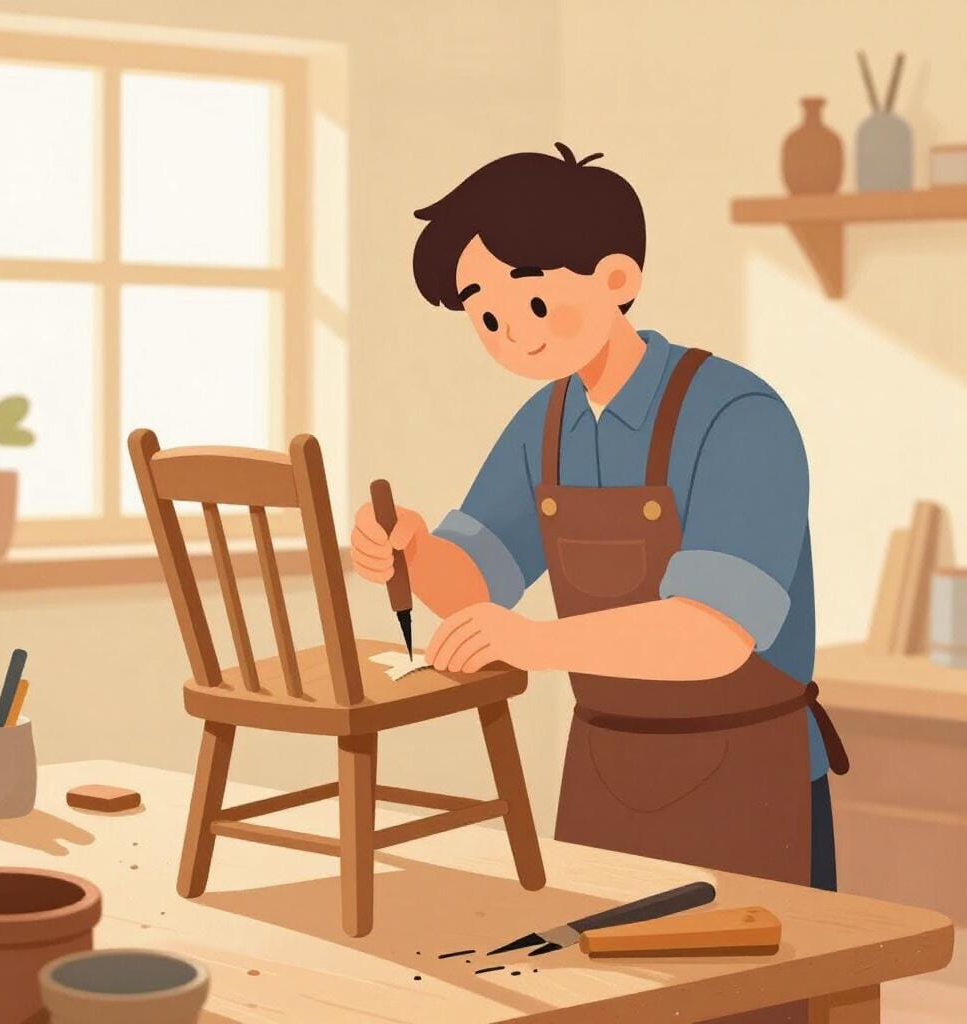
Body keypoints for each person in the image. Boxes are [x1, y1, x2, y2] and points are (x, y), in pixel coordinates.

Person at [351, 143, 847, 892]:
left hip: (748, 777)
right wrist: (415, 550)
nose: (513, 333)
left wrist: (533, 643)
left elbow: (713, 633)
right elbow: (479, 584)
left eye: (534, 302)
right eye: (485, 315)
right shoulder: (544, 426)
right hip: (604, 774)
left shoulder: (738, 417)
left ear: (618, 279)